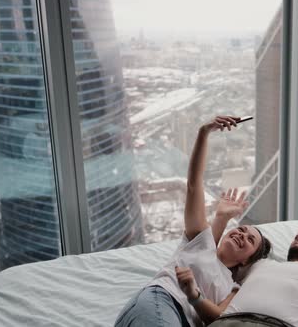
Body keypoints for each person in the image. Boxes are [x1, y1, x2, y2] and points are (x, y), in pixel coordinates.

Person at [114, 115, 272, 327]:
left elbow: (216, 318)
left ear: (246, 260)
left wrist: (195, 294)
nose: (242, 234)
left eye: (250, 240)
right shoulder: (200, 243)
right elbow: (194, 184)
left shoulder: (234, 288)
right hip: (162, 302)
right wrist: (204, 132)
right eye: (242, 229)